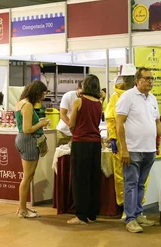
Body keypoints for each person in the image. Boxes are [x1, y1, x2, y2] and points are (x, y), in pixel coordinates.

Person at [116, 67, 161, 233]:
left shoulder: (153, 99)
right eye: (147, 78)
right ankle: (130, 218)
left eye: (152, 78)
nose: (150, 81)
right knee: (131, 184)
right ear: (137, 80)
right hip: (133, 149)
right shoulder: (128, 97)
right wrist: (124, 149)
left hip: (149, 149)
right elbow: (119, 124)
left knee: (141, 184)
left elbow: (157, 124)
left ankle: (139, 214)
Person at [105, 64, 151, 220]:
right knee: (124, 178)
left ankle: (138, 210)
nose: (129, 81)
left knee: (141, 181)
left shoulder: (146, 96)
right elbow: (112, 120)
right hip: (123, 144)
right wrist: (113, 138)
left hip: (142, 145)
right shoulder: (117, 96)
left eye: (131, 78)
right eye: (127, 78)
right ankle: (127, 210)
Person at [67, 74, 103, 225]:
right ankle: (92, 214)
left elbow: (71, 124)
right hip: (96, 144)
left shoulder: (79, 101)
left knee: (79, 179)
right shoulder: (99, 103)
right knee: (93, 179)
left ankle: (81, 215)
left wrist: (76, 131)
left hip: (81, 142)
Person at [15, 81, 50, 218]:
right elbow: (27, 129)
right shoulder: (28, 105)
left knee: (28, 176)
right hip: (28, 141)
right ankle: (22, 209)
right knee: (27, 176)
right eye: (43, 94)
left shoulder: (21, 103)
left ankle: (22, 208)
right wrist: (41, 123)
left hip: (23, 140)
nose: (43, 97)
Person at [56, 81, 83, 146]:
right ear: (77, 89)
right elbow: (62, 114)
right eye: (81, 93)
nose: (82, 95)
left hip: (78, 134)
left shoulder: (86, 99)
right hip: (63, 133)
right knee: (60, 154)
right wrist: (72, 126)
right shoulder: (68, 96)